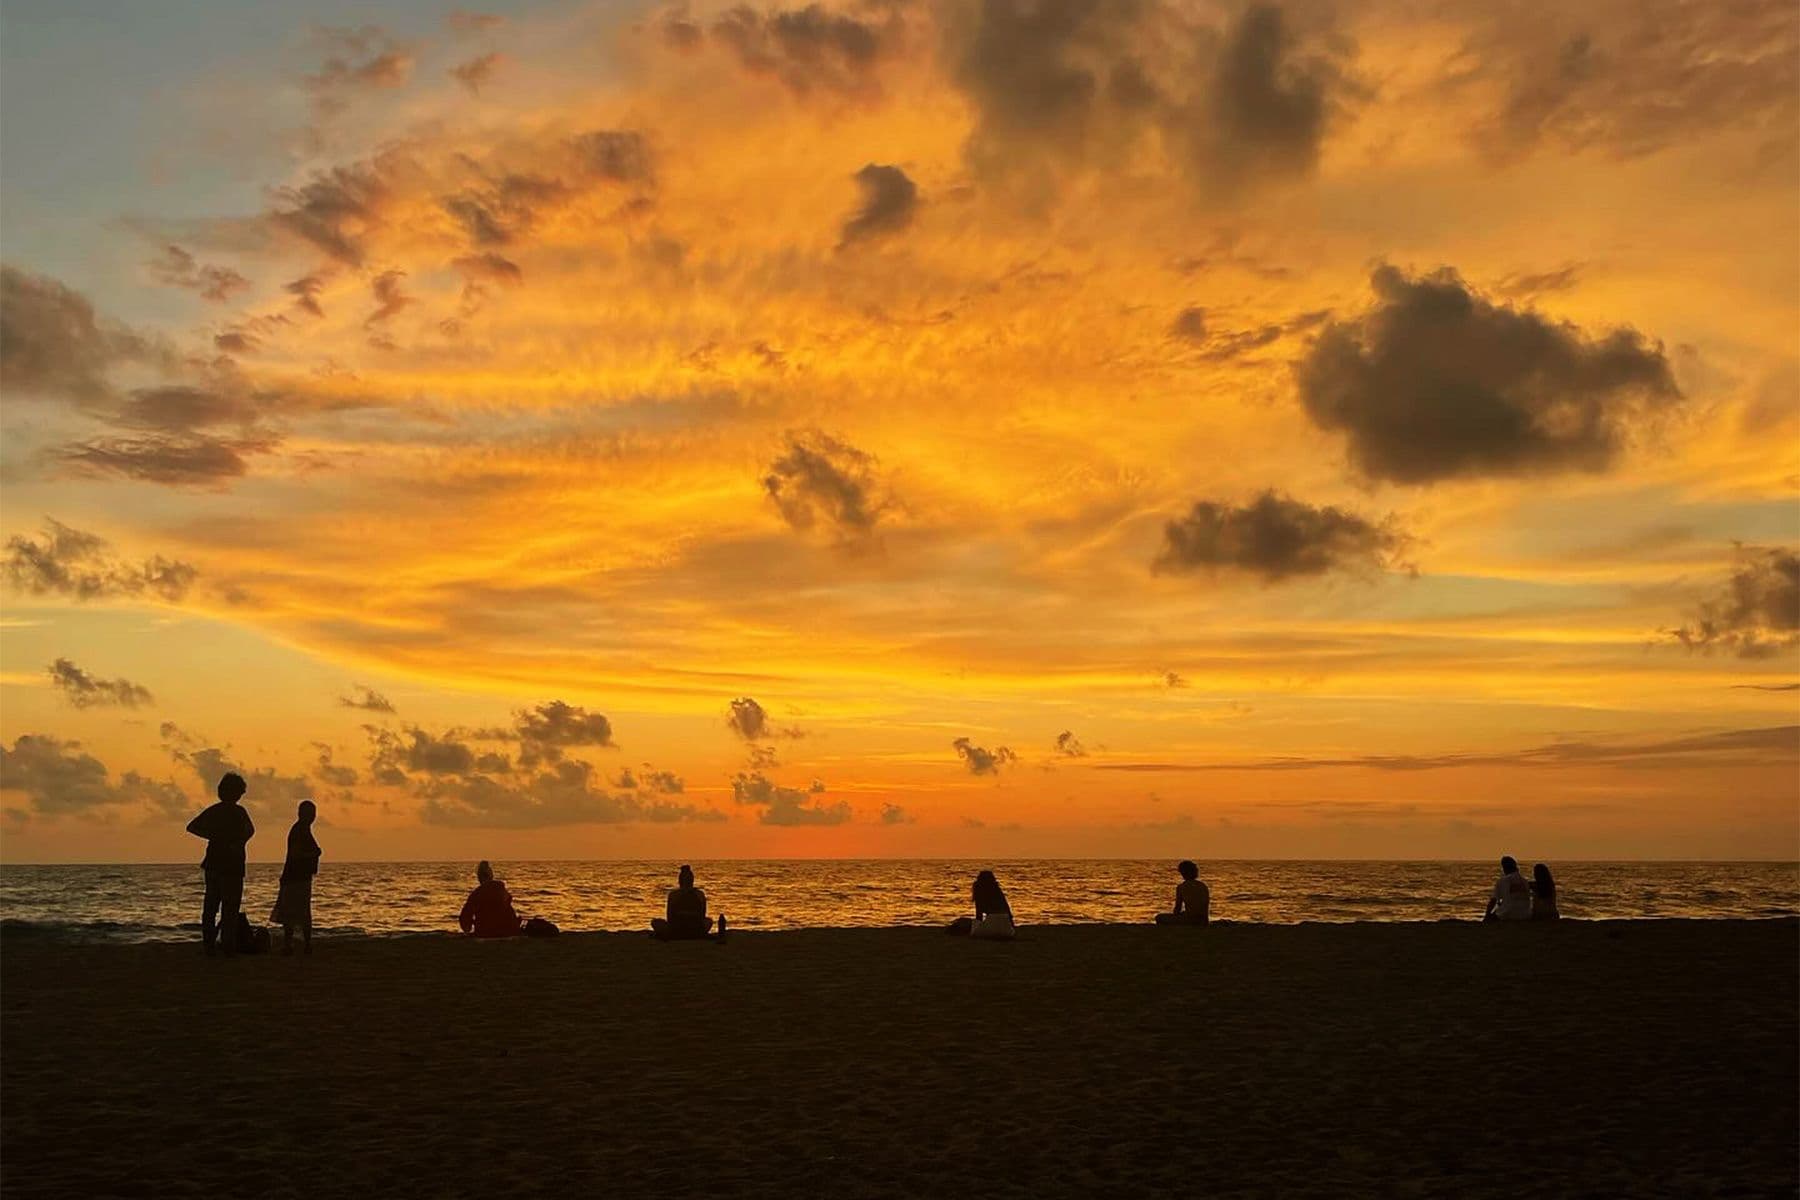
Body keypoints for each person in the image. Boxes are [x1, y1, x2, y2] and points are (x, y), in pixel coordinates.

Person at [186, 773, 255, 956]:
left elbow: (193, 827)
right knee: (227, 907)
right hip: (227, 866)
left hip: (218, 864)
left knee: (213, 907)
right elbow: (250, 831)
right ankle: (225, 945)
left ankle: (212, 945)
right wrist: (231, 840)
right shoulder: (237, 812)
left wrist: (217, 836)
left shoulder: (218, 811)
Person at [269, 800, 321, 955]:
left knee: (296, 911)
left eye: (313, 814)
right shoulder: (300, 830)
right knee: (295, 911)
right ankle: (295, 944)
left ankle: (297, 944)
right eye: (310, 814)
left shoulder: (302, 829)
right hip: (296, 877)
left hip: (298, 876)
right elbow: (296, 854)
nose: (312, 817)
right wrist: (315, 853)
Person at [651, 864, 727, 941]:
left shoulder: (673, 895)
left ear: (679, 880)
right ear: (692, 880)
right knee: (708, 921)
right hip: (696, 930)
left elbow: (669, 917)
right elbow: (702, 915)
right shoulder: (700, 894)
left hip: (676, 930)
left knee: (655, 922)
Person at [458, 861, 522, 938]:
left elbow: (465, 917)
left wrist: (468, 929)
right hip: (509, 931)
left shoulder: (477, 894)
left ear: (479, 877)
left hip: (486, 932)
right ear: (491, 876)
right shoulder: (502, 891)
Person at [948, 870, 1015, 939]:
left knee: (963, 921)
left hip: (992, 925)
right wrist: (1011, 928)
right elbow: (1009, 912)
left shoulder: (980, 892)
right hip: (1007, 930)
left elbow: (979, 916)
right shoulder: (997, 891)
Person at [1154, 859, 1210, 925]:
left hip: (1190, 920)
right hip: (1203, 920)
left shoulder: (1181, 887)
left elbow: (1178, 908)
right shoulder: (1203, 886)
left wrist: (1177, 916)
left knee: (1159, 917)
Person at [1483, 856, 1533, 922]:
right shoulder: (1525, 881)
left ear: (1504, 868)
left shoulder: (1503, 880)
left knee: (1495, 914)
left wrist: (1487, 915)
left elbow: (1493, 900)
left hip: (1508, 914)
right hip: (1525, 915)